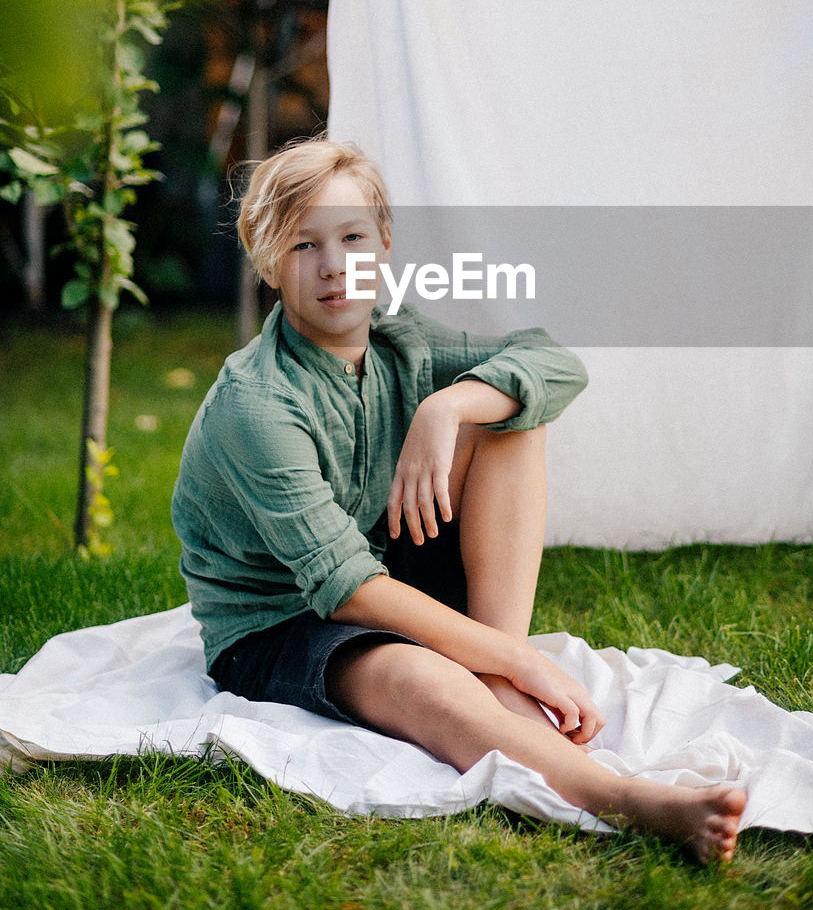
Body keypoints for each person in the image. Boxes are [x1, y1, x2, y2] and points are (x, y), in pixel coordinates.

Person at [171, 138, 746, 863]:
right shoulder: (256, 403)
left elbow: (552, 361)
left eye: (352, 237)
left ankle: (493, 680)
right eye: (303, 245)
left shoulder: (400, 340)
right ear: (267, 264)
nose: (333, 265)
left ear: (384, 244)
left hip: (384, 560)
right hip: (282, 622)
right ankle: (627, 800)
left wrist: (444, 408)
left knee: (511, 418)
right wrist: (522, 657)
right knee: (420, 680)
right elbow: (345, 589)